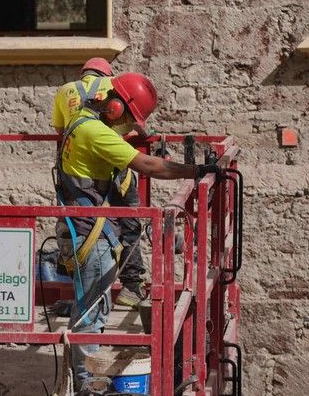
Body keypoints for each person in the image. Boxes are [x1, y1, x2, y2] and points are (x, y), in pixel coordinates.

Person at [55, 72, 221, 392]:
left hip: (87, 230)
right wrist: (198, 170)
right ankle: (86, 385)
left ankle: (85, 380)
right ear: (115, 108)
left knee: (92, 309)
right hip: (93, 235)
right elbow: (149, 167)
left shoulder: (84, 123)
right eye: (131, 119)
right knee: (91, 315)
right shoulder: (94, 132)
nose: (132, 128)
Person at [50, 59, 146, 308]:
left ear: (83, 74)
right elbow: (134, 125)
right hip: (114, 168)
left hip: (78, 175)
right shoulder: (114, 86)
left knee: (79, 224)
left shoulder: (64, 91)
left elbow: (60, 130)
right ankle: (131, 287)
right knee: (128, 220)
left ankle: (80, 290)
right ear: (106, 73)